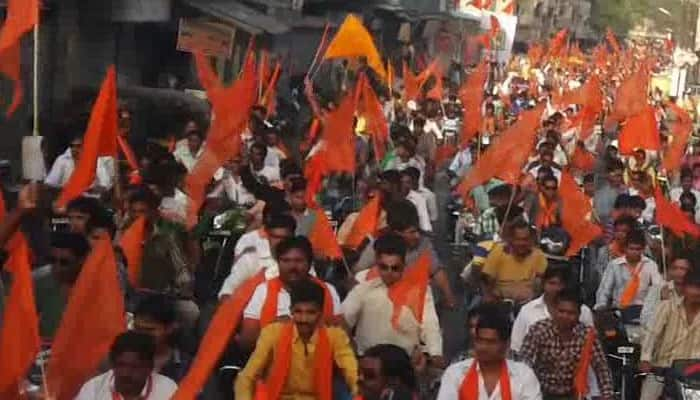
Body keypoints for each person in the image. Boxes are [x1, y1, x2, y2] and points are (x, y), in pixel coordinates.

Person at [234, 279, 358, 400]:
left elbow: (353, 375)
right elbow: (247, 378)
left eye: (311, 313)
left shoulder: (335, 337)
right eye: (298, 312)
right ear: (291, 311)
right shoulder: (273, 333)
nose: (303, 319)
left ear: (320, 313)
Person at [342, 234, 443, 365]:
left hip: (403, 364)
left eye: (395, 268)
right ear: (377, 262)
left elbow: (430, 324)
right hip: (368, 362)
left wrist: (435, 353)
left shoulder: (418, 289)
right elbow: (344, 320)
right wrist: (351, 351)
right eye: (384, 267)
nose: (389, 272)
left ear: (404, 263)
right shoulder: (362, 283)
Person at [237, 236, 341, 349]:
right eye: (286, 261)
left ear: (310, 263)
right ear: (278, 262)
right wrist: (274, 329)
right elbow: (246, 341)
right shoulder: (263, 291)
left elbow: (342, 339)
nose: (292, 267)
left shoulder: (328, 290)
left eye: (298, 261)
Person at [353, 199, 457, 307]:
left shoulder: (423, 243)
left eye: (417, 230)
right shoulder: (378, 246)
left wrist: (449, 297)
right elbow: (358, 274)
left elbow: (437, 271)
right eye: (412, 232)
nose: (417, 236)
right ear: (397, 233)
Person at [519, 290, 614, 400]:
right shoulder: (539, 330)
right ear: (553, 311)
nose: (565, 316)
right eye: (561, 311)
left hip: (573, 393)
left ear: (579, 314)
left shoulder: (587, 335)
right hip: (541, 392)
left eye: (571, 313)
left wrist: (607, 395)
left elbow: (601, 367)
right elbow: (524, 363)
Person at [437, 313, 542, 400]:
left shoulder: (524, 376)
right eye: (479, 340)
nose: (483, 347)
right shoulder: (455, 373)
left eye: (491, 342)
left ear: (506, 344)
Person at [639, 267, 700, 400]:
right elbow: (652, 334)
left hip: (694, 376)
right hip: (662, 369)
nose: (696, 292)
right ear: (684, 288)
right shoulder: (666, 307)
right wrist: (645, 359)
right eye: (692, 287)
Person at [510, 266, 594, 353]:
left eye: (560, 284)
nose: (556, 288)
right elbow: (516, 347)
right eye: (552, 283)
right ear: (543, 284)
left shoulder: (584, 311)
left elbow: (591, 346)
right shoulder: (527, 310)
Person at [75, 331, 178, 399]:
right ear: (112, 363)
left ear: (149, 367)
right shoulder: (94, 388)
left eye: (135, 367)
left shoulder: (168, 389)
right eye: (121, 365)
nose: (125, 374)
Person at [218, 212, 297, 299]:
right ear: (267, 235)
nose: (279, 242)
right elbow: (228, 290)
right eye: (275, 237)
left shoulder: (300, 259)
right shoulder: (251, 258)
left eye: (284, 238)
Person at [33, 232, 91, 339]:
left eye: (64, 262)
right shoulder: (38, 281)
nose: (57, 267)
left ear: (82, 260)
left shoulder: (96, 287)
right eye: (52, 260)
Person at [478, 218, 547, 304]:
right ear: (510, 239)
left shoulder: (538, 255)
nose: (522, 243)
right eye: (518, 239)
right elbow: (486, 280)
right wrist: (489, 298)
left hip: (529, 303)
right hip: (500, 302)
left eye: (525, 239)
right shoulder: (498, 252)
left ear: (530, 239)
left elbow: (544, 281)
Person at [595, 229, 663, 310]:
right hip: (619, 310)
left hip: (643, 310)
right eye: (631, 249)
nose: (634, 252)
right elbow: (604, 289)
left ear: (643, 249)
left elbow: (657, 286)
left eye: (638, 249)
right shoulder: (614, 265)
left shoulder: (650, 265)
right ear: (625, 248)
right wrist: (601, 307)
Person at [132, 294, 192, 383]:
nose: (141, 335)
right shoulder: (117, 358)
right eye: (137, 328)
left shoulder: (187, 367)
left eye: (149, 330)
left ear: (170, 328)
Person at [45, 135, 115, 191]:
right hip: (66, 197)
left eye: (78, 146)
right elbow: (50, 182)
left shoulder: (95, 159)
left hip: (89, 198)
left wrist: (93, 189)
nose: (75, 149)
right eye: (72, 146)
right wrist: (64, 189)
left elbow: (105, 183)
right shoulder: (62, 160)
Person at [640, 254, 691, 329]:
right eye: (675, 268)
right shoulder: (658, 289)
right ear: (669, 270)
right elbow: (645, 319)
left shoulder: (694, 293)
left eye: (683, 269)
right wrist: (663, 303)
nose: (678, 272)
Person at [399, 169, 433, 233]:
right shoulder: (393, 197)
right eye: (402, 182)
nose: (405, 185)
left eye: (408, 182)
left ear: (412, 183)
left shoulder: (419, 198)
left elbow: (423, 218)